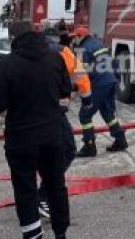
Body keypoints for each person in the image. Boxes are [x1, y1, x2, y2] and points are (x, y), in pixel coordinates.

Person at [0, 21, 72, 239]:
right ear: (35, 33)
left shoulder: (7, 64)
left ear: (13, 37)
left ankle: (33, 235)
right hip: (52, 135)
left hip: (20, 139)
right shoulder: (55, 58)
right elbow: (65, 89)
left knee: (25, 190)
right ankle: (61, 233)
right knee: (56, 186)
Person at [37, 33, 84, 219]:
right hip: (54, 113)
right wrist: (86, 97)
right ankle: (43, 195)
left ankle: (40, 195)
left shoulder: (27, 54)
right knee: (68, 151)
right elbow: (80, 76)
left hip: (34, 115)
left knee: (44, 156)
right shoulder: (63, 52)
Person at [73, 26, 128, 157]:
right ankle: (120, 139)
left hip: (99, 83)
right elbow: (114, 62)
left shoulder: (83, 49)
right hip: (110, 81)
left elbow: (81, 73)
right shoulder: (99, 44)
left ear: (80, 36)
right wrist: (116, 79)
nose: (74, 40)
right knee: (106, 111)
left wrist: (74, 89)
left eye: (75, 37)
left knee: (85, 115)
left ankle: (89, 146)